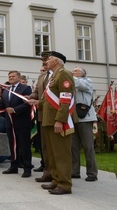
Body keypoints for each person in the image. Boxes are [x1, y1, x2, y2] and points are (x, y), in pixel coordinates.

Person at [34, 51, 76, 195]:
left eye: (49, 59)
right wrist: (36, 102)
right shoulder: (54, 76)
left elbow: (65, 99)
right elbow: (47, 100)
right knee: (52, 154)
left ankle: (65, 184)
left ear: (57, 61)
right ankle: (56, 180)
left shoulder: (64, 74)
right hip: (48, 120)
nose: (46, 61)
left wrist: (60, 120)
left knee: (61, 154)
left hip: (57, 121)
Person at [1, 70, 33, 178]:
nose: (10, 78)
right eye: (9, 76)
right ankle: (13, 166)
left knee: (24, 146)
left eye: (13, 76)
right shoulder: (6, 90)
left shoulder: (25, 88)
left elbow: (28, 104)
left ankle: (27, 168)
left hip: (22, 121)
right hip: (9, 122)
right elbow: (3, 105)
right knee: (13, 145)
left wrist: (15, 110)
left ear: (19, 77)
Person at [27, 52, 53, 183]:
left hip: (54, 115)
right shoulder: (42, 76)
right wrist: (30, 97)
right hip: (43, 115)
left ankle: (59, 174)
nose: (44, 64)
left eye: (46, 61)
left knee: (54, 146)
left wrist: (38, 102)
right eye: (42, 62)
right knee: (45, 146)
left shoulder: (59, 75)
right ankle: (47, 171)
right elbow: (37, 92)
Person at [71, 67, 98, 181]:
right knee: (73, 147)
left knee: (88, 147)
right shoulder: (72, 82)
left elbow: (80, 84)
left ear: (83, 74)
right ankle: (74, 171)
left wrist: (68, 75)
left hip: (85, 118)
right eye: (73, 71)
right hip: (72, 118)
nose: (73, 72)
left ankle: (92, 173)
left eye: (76, 71)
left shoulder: (87, 81)